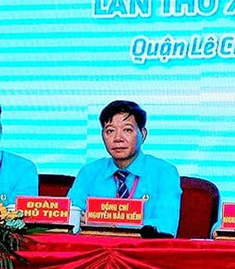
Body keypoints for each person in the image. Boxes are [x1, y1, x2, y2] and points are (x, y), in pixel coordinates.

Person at [67, 100, 181, 236]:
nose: (118, 138)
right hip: (95, 248)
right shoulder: (89, 172)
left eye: (127, 130)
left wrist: (111, 225)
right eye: (110, 131)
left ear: (143, 134)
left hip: (142, 249)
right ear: (103, 136)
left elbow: (166, 227)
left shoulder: (165, 172)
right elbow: (70, 219)